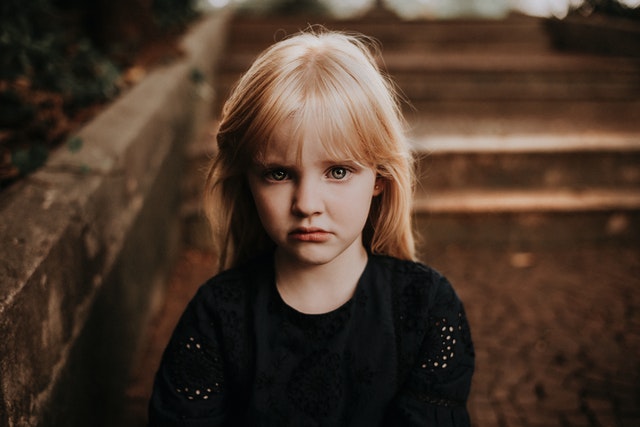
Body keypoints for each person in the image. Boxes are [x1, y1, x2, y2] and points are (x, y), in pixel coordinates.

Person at [148, 27, 474, 426]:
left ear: (379, 179)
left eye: (338, 171)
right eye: (278, 173)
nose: (306, 204)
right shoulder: (217, 315)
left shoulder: (426, 307)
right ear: (247, 181)